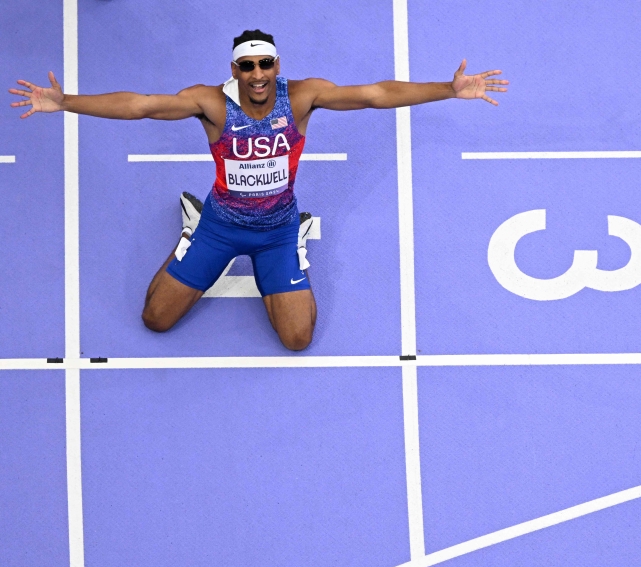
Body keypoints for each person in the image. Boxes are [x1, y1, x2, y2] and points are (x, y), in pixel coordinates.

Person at [10, 29, 507, 350]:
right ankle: (191, 232)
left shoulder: (304, 97)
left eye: (265, 64)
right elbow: (140, 105)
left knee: (297, 338)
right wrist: (66, 101)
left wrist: (448, 88)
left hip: (276, 231)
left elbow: (375, 95)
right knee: (155, 320)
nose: (257, 74)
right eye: (247, 66)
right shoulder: (209, 104)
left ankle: (296, 243)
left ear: (276, 66)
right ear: (234, 71)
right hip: (221, 228)